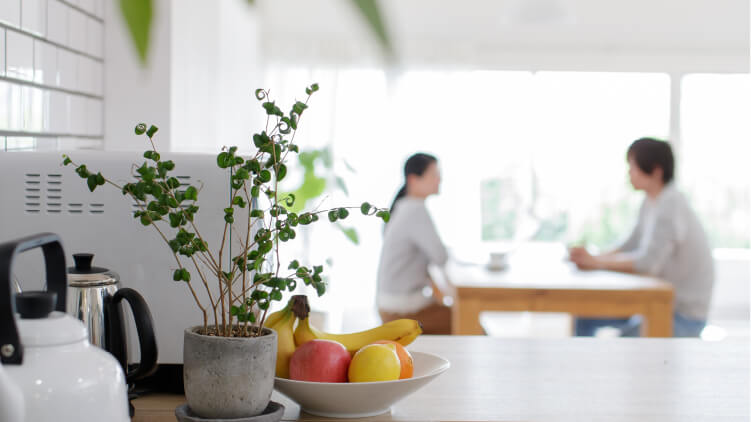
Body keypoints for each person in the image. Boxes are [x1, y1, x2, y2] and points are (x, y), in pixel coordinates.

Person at [569, 137, 714, 337]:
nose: (629, 173)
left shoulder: (671, 203)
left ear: (656, 171)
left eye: (633, 166)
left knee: (623, 345)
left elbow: (647, 263)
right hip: (654, 303)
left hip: (681, 314)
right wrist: (592, 257)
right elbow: (630, 244)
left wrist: (596, 262)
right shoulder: (651, 201)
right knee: (585, 317)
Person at [376, 153, 452, 334]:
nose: (439, 180)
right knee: (469, 321)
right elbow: (440, 257)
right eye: (434, 175)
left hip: (389, 304)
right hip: (401, 311)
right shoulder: (415, 209)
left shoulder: (403, 206)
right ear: (413, 179)